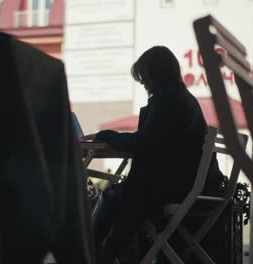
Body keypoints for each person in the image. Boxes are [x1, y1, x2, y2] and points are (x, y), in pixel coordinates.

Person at [86, 46, 223, 263]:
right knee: (125, 195)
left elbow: (143, 143)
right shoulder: (183, 98)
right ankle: (107, 255)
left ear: (154, 74)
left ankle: (93, 254)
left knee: (114, 195)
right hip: (194, 186)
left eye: (143, 77)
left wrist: (104, 136)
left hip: (174, 189)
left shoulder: (167, 100)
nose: (142, 83)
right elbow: (151, 140)